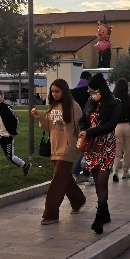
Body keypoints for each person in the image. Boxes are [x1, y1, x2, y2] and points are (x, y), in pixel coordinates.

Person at [31, 79, 86, 224]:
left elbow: (80, 128)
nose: (54, 94)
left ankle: (51, 213)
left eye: (57, 91)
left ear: (64, 91)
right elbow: (49, 127)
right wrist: (39, 118)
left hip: (68, 148)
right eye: (52, 91)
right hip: (55, 147)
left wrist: (83, 146)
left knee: (57, 181)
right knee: (64, 177)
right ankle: (78, 200)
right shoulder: (53, 106)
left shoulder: (74, 107)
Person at [79, 73, 122, 233]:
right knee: (97, 180)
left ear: (101, 89)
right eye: (90, 92)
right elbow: (83, 119)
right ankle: (105, 211)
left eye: (93, 91)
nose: (91, 94)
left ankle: (99, 216)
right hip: (92, 146)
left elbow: (111, 124)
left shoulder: (114, 103)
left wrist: (90, 132)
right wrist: (84, 131)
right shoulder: (90, 101)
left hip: (107, 145)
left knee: (103, 179)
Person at [112, 78, 130, 182]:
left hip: (117, 126)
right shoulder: (129, 99)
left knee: (117, 153)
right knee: (128, 151)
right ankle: (125, 172)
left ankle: (114, 172)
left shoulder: (113, 100)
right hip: (129, 125)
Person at [70, 71, 93, 184]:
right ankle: (74, 174)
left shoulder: (73, 92)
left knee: (84, 150)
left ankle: (87, 175)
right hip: (86, 125)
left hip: (73, 124)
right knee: (84, 150)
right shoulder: (89, 94)